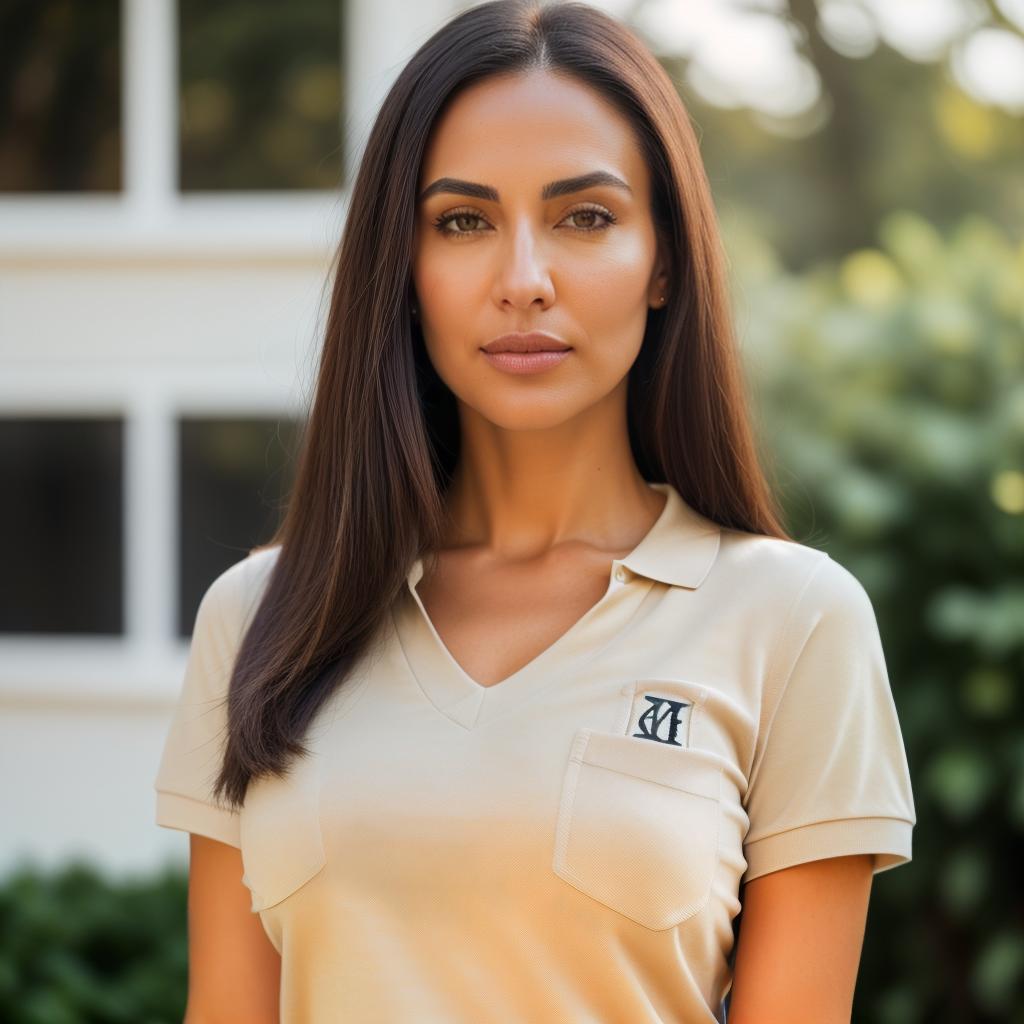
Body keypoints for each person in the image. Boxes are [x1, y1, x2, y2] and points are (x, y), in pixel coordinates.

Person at [154, 1, 916, 1020]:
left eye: (584, 217)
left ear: (664, 262)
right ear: (404, 269)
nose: (522, 280)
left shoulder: (793, 621)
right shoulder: (258, 618)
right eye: (462, 221)